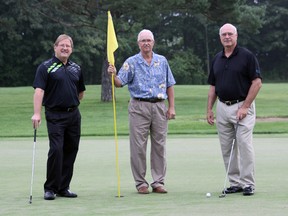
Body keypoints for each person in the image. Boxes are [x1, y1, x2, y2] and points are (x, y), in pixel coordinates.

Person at [107, 29, 176, 194]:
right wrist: (113, 73)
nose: (146, 43)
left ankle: (158, 182)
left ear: (153, 42)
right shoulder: (131, 62)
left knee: (159, 145)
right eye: (143, 40)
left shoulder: (162, 61)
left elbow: (169, 84)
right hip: (138, 107)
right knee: (138, 146)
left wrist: (171, 107)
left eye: (149, 40)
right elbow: (118, 83)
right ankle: (141, 183)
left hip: (159, 105)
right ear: (138, 43)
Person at [207, 23, 262, 196]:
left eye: (230, 34)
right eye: (224, 34)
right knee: (226, 148)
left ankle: (247, 184)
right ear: (220, 38)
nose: (227, 37)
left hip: (242, 106)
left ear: (236, 36)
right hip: (222, 107)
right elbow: (213, 86)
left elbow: (257, 82)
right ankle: (235, 182)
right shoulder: (217, 58)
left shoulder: (247, 56)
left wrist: (245, 106)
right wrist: (209, 109)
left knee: (244, 145)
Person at [31, 34, 86, 200]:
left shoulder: (76, 68)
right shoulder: (46, 67)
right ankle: (50, 188)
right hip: (55, 115)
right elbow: (39, 91)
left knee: (71, 150)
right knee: (56, 150)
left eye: (68, 46)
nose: (64, 48)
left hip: (73, 115)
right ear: (55, 47)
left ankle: (63, 187)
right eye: (61, 45)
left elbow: (81, 92)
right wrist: (37, 113)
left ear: (71, 49)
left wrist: (71, 100)